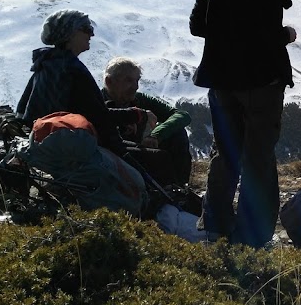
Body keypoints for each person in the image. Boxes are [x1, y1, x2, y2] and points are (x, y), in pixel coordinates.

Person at [189, 0, 296, 247]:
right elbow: (265, 33)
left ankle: (216, 227)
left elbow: (196, 25)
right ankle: (254, 237)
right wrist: (287, 36)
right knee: (259, 157)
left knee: (226, 154)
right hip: (260, 81)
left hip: (221, 81)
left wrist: (228, 34)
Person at [15, 10, 154, 155]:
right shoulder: (71, 70)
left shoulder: (47, 64)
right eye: (87, 29)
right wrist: (136, 115)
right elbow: (97, 117)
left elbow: (26, 112)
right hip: (77, 150)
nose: (91, 35)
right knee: (161, 160)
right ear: (70, 34)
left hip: (55, 143)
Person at [102, 57, 193, 187]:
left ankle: (179, 188)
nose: (135, 87)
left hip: (138, 148)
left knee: (178, 133)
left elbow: (182, 115)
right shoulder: (97, 102)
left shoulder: (139, 99)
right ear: (109, 81)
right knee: (158, 157)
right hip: (114, 155)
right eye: (128, 80)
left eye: (137, 80)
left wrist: (156, 135)